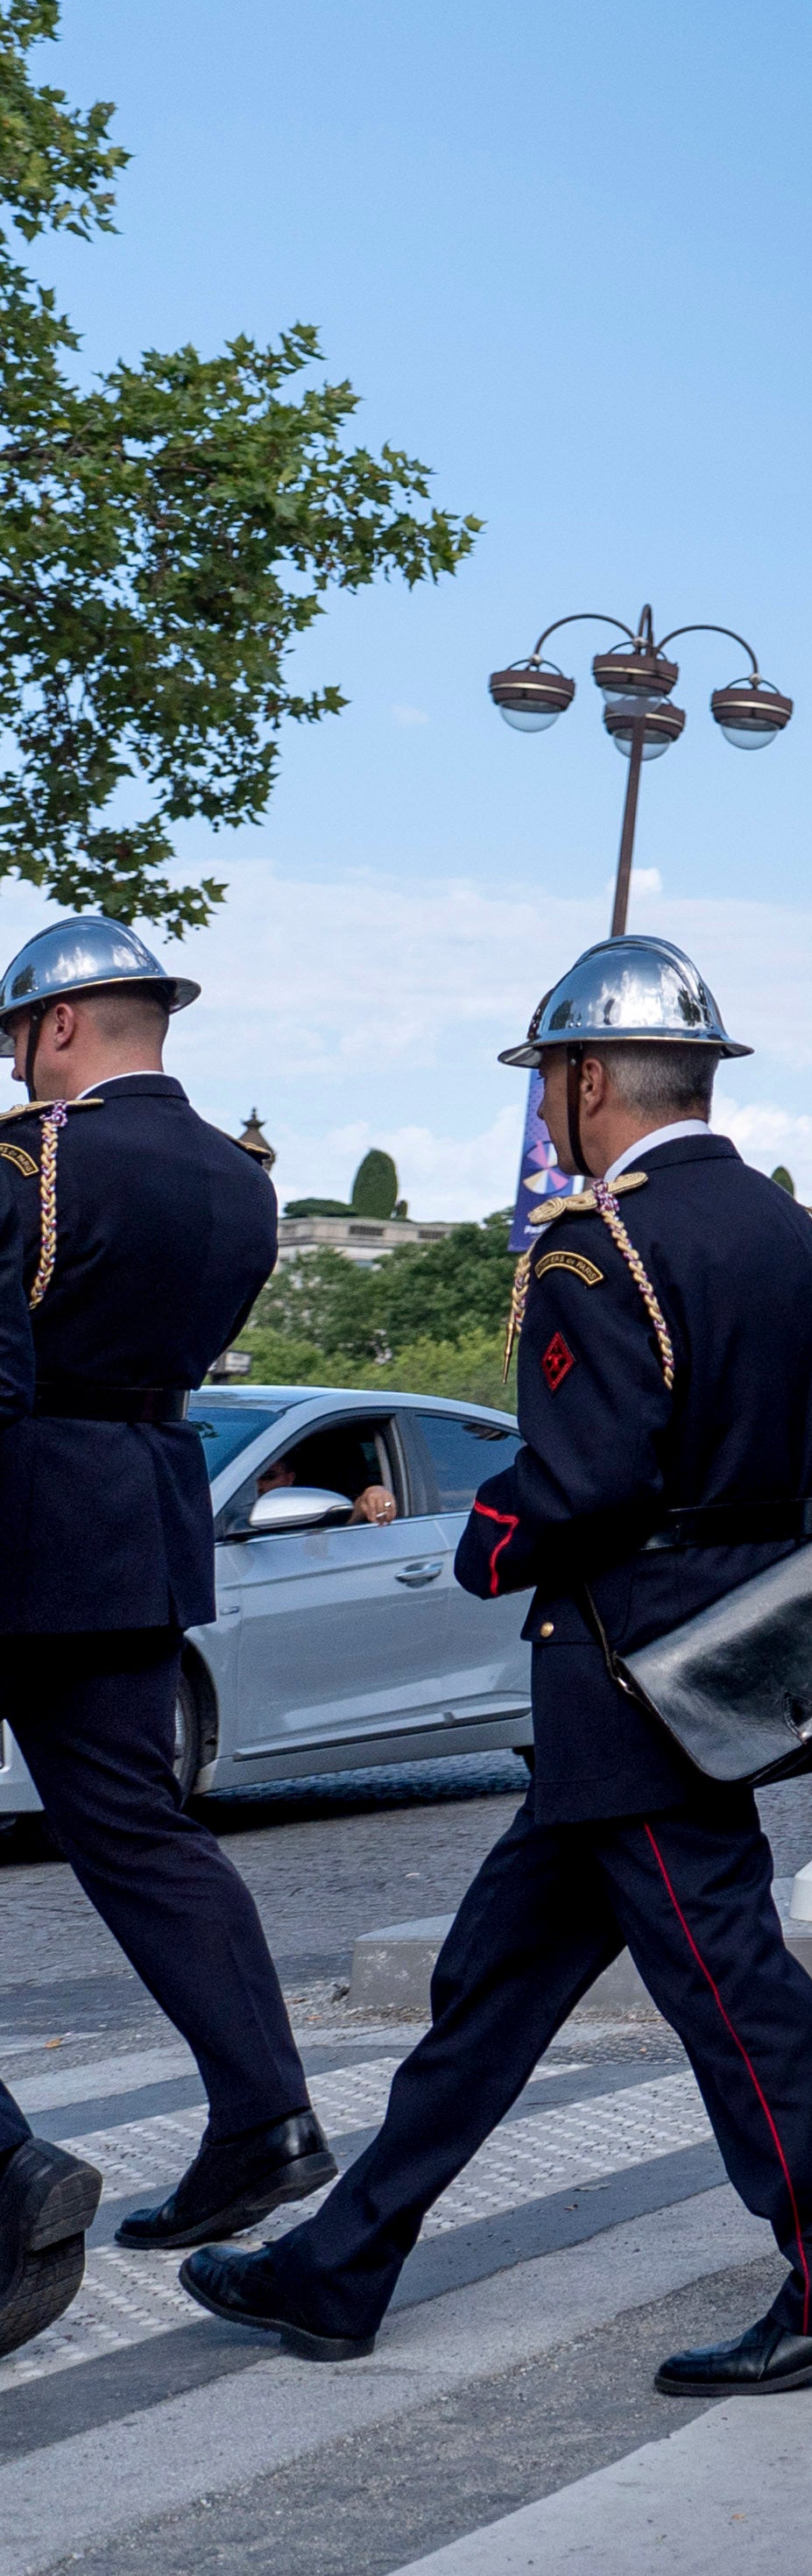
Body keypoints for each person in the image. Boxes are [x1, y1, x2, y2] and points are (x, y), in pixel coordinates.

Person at [187, 938, 812, 2394]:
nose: (546, 1112)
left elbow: (582, 1482)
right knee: (492, 1991)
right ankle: (339, 2268)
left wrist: (482, 1541)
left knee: (732, 1993)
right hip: (731, 1646)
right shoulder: (793, 1236)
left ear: (588, 1081)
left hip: (629, 1671)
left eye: (548, 1085)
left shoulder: (602, 1245)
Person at [0, 919, 311, 2351]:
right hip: (140, 1515)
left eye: (17, 1039)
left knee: (133, 1837)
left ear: (56, 1030)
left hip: (23, 1514)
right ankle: (267, 2115)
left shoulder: (32, 1159)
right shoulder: (239, 1184)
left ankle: (10, 2167)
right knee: (142, 1838)